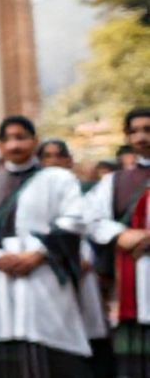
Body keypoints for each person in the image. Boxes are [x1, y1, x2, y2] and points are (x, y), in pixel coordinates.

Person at [0, 115, 92, 377]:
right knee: (9, 346)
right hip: (2, 274)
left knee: (51, 344)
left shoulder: (57, 179)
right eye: (7, 139)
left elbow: (74, 218)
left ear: (35, 141)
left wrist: (38, 254)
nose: (14, 145)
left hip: (44, 272)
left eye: (21, 137)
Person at [41, 139, 114, 376]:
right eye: (47, 156)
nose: (53, 162)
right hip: (50, 270)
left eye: (58, 156)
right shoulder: (34, 193)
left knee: (90, 330)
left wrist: (86, 256)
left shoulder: (85, 190)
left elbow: (91, 225)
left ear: (69, 160)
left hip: (83, 268)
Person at [86, 107, 150, 378]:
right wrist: (120, 234)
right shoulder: (114, 181)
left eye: (147, 129)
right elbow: (90, 217)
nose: (141, 136)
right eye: (134, 131)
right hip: (131, 283)